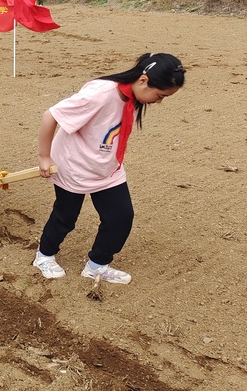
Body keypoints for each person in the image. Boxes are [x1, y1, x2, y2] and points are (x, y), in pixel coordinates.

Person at [32, 53, 186, 284]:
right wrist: (45, 157)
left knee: (121, 217)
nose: (159, 101)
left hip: (107, 168)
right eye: (160, 95)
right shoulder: (100, 94)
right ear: (143, 80)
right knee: (66, 217)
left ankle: (97, 265)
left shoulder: (134, 96)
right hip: (74, 165)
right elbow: (51, 115)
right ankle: (44, 255)